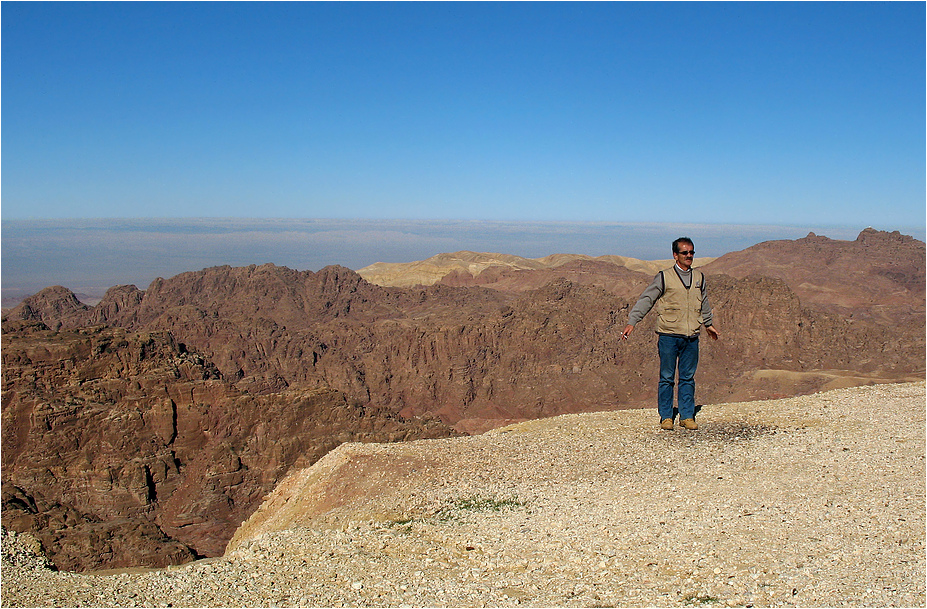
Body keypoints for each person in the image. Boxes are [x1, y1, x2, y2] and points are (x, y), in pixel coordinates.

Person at [621, 237, 720, 430]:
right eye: (685, 253)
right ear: (675, 255)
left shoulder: (699, 277)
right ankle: (666, 416)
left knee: (687, 377)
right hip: (668, 335)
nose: (689, 256)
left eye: (692, 252)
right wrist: (632, 321)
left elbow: (704, 302)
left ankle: (687, 416)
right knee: (667, 377)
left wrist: (708, 324)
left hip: (691, 336)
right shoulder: (664, 277)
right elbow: (647, 299)